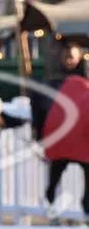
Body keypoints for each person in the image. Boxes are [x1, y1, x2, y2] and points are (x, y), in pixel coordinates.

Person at [41, 35, 89, 218]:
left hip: (71, 137)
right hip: (70, 137)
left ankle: (57, 204)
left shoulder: (62, 83)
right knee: (56, 175)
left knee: (57, 173)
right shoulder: (57, 83)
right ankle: (54, 205)